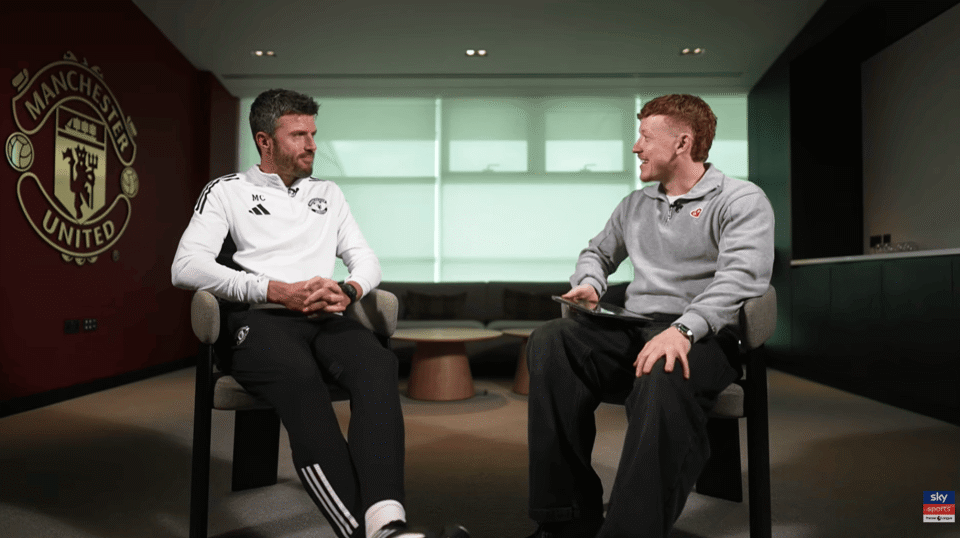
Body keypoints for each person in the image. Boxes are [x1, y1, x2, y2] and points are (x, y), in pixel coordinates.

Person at [172, 89, 468, 538]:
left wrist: (348, 290)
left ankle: (387, 520)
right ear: (265, 141)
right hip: (259, 321)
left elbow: (365, 259)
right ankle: (366, 533)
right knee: (301, 380)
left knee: (378, 366)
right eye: (298, 135)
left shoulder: (328, 193)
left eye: (313, 133)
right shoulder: (227, 191)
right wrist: (274, 289)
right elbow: (186, 266)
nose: (312, 145)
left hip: (326, 319)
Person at [524, 94, 774, 538]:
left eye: (644, 137)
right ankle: (565, 518)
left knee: (665, 366)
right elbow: (596, 253)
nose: (636, 147)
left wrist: (683, 330)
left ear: (682, 143)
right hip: (634, 328)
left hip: (703, 337)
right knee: (550, 341)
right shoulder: (634, 205)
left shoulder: (740, 199)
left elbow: (741, 279)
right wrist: (591, 283)